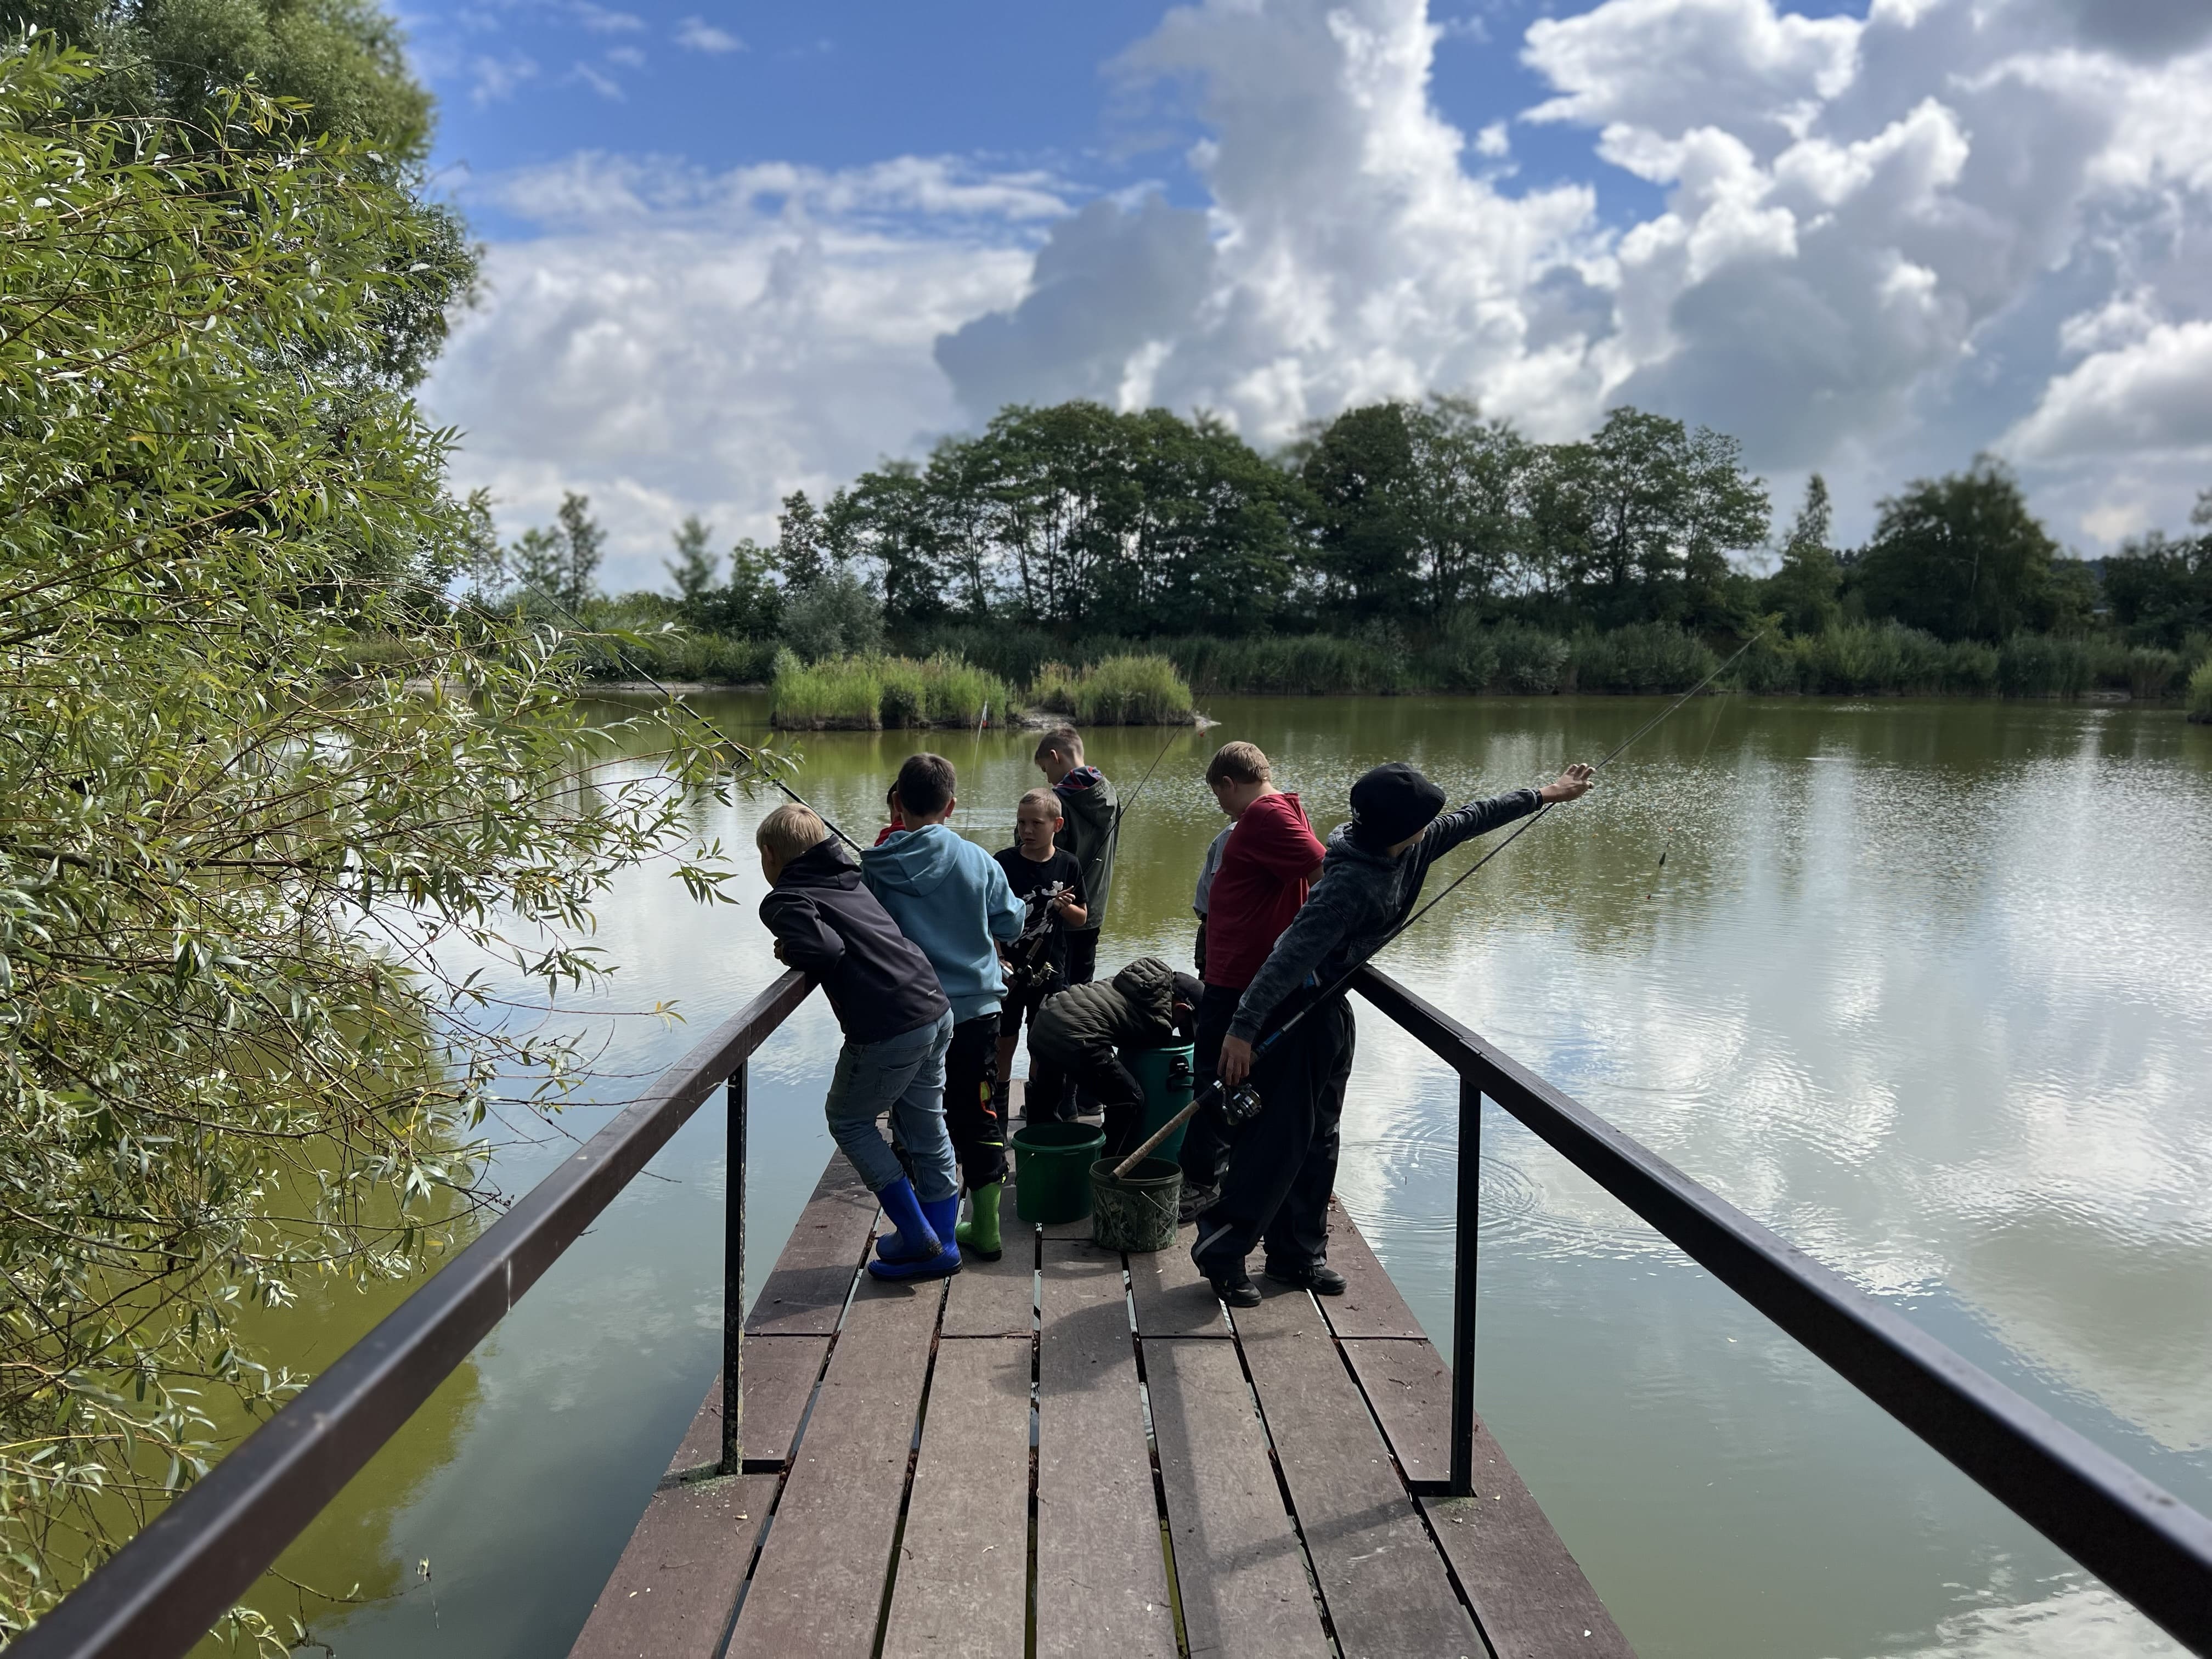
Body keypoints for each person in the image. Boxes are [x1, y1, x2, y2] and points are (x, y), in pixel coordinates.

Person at [1193, 759, 1596, 1307]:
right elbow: (1286, 957)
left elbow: (1473, 817)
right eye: (1423, 820)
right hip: (1290, 1010)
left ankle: (1297, 1254)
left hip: (1330, 1009)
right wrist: (1241, 1030)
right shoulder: (1346, 884)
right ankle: (1221, 1252)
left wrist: (1545, 794)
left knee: (1322, 1136)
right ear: (1397, 827)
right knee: (1280, 1140)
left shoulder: (1411, 846)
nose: (1432, 826)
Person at [755, 803, 962, 1283]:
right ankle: (942, 1241)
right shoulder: (849, 878)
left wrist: (791, 945)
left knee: (849, 1120)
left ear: (770, 854)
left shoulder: (786, 897)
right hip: (933, 1007)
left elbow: (825, 948)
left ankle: (918, 1238)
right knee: (926, 1126)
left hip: (890, 1025)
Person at [860, 754, 1024, 1262]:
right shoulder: (978, 859)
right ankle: (986, 1228)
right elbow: (1012, 924)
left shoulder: (876, 867)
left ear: (897, 803)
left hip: (911, 1017)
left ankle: (925, 1229)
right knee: (979, 1114)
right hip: (976, 1015)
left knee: (919, 1120)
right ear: (951, 806)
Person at [1179, 741, 1325, 1218]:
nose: (1221, 806)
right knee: (1230, 1081)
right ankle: (1229, 1177)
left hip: (1242, 979)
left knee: (1214, 1079)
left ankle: (1202, 1183)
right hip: (1239, 974)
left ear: (1228, 784)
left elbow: (1323, 870)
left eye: (1218, 796)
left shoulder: (1265, 815)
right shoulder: (1280, 811)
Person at [1027, 957, 1201, 1158]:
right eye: (1183, 1024)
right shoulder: (1157, 1023)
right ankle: (1104, 1163)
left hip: (1046, 1019)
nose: (1178, 1028)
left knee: (1048, 1095)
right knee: (1129, 1099)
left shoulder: (1137, 983)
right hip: (1075, 1036)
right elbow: (1147, 1052)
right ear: (1181, 1008)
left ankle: (1035, 1153)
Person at [992, 787, 1087, 1124]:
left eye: (1036, 823)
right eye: (1022, 823)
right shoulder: (1003, 862)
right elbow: (988, 918)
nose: (1027, 830)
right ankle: (998, 1113)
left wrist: (1065, 908)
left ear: (1057, 825)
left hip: (1050, 970)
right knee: (1004, 1039)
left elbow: (1082, 917)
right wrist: (998, 957)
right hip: (1008, 971)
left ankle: (1037, 1112)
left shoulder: (1069, 864)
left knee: (1041, 1041)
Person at [1034, 726, 1116, 988]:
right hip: (1093, 913)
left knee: (1054, 993)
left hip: (1061, 914)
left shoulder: (1058, 802)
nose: (1048, 779)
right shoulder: (1110, 793)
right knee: (1082, 992)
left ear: (1055, 756)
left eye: (1046, 769)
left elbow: (1040, 858)